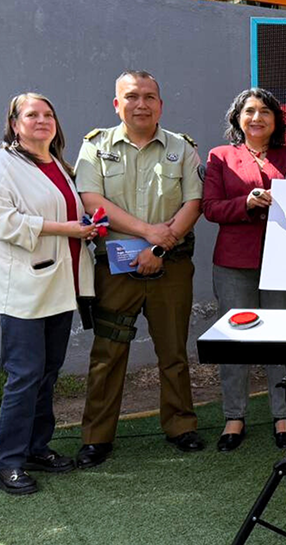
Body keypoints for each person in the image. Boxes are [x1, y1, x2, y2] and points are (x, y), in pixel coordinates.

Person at [74, 70, 205, 468]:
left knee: (174, 351)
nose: (142, 104)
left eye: (150, 96)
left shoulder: (182, 148)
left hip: (171, 266)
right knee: (108, 353)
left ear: (160, 105)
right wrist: (149, 232)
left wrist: (159, 248)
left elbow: (194, 203)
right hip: (115, 268)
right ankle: (97, 437)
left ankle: (181, 426)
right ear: (117, 104)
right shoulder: (95, 147)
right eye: (132, 96)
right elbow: (90, 197)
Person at [0, 93, 97, 494]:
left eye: (48, 114)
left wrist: (86, 226)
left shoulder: (59, 165)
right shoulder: (1, 164)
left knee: (47, 372)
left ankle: (36, 448)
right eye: (32, 115)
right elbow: (3, 222)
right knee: (24, 374)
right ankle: (7, 461)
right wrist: (69, 230)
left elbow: (66, 216)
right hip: (22, 289)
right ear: (14, 124)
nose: (42, 120)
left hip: (61, 286)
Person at [202, 88, 286, 452]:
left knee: (281, 341)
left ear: (276, 120)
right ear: (237, 118)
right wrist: (245, 203)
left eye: (265, 112)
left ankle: (282, 415)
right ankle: (234, 416)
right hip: (233, 263)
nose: (257, 117)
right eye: (249, 111)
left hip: (284, 261)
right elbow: (211, 208)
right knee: (235, 341)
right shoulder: (220, 156)